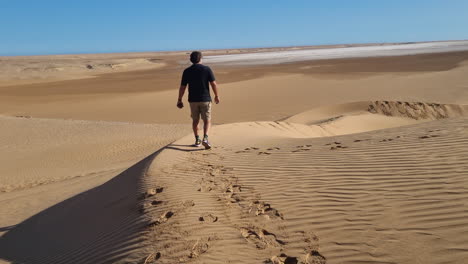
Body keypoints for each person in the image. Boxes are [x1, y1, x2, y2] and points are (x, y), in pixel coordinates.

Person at [177, 51, 219, 149]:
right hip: (205, 99)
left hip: (193, 100)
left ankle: (197, 140)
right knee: (207, 120)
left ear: (191, 59)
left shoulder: (187, 71)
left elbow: (182, 87)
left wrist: (179, 99)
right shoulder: (207, 69)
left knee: (195, 120)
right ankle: (205, 138)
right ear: (200, 58)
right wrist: (216, 95)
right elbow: (213, 84)